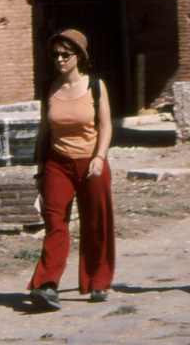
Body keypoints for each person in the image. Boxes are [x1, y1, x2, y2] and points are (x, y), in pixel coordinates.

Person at [29, 29, 115, 311]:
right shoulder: (48, 88)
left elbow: (106, 126)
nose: (59, 59)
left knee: (96, 223)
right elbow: (44, 131)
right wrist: (40, 171)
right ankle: (46, 285)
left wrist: (99, 157)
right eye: (55, 54)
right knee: (55, 223)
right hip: (57, 163)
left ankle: (98, 281)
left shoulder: (95, 85)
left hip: (91, 162)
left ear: (79, 56)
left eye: (65, 54)